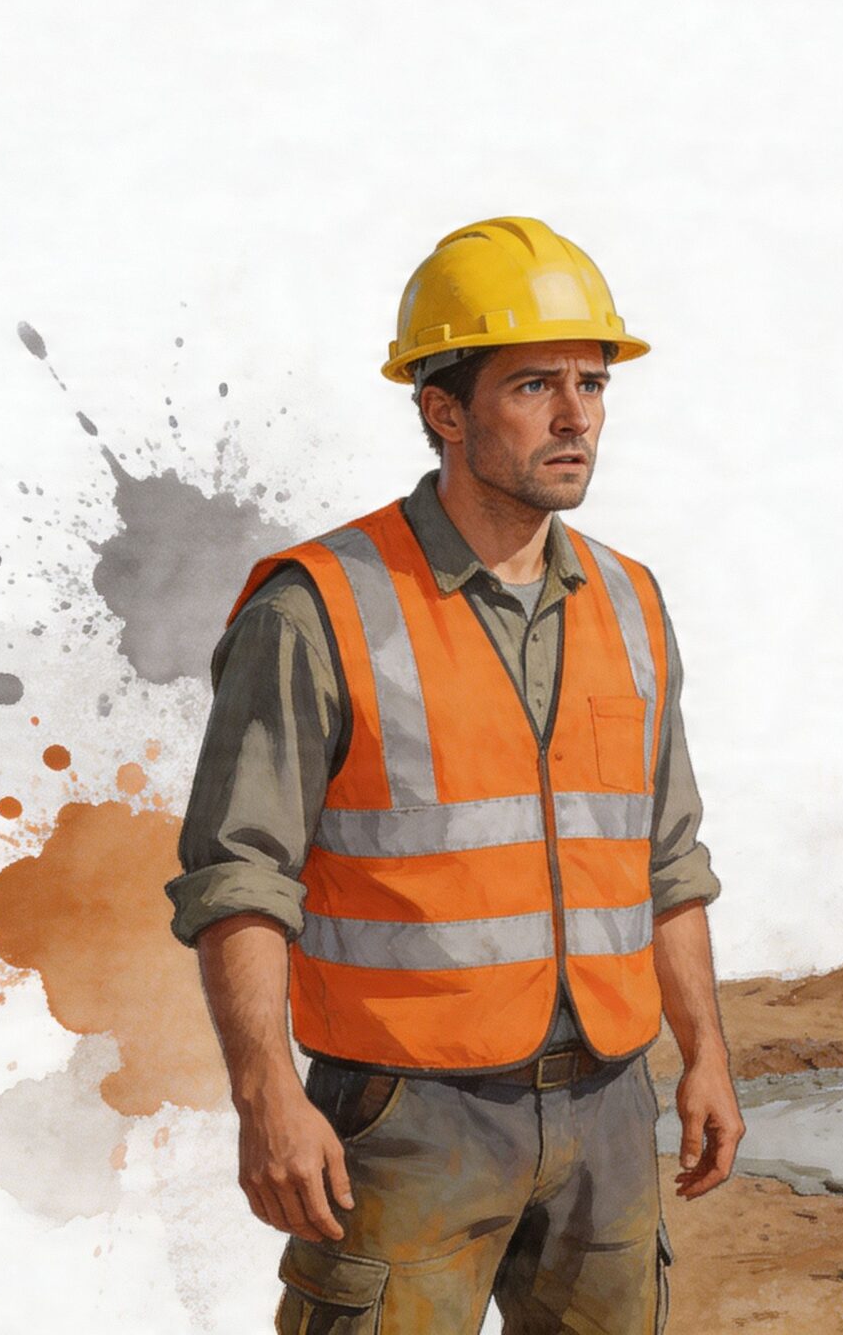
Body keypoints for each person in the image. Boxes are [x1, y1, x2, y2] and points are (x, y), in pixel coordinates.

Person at [165, 216, 742, 1333]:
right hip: (404, 1123)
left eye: (592, 382)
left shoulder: (631, 601)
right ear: (443, 410)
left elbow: (666, 860)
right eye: (534, 385)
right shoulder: (318, 607)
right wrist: (266, 1094)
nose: (577, 417)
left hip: (610, 1110)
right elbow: (239, 875)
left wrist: (706, 1054)